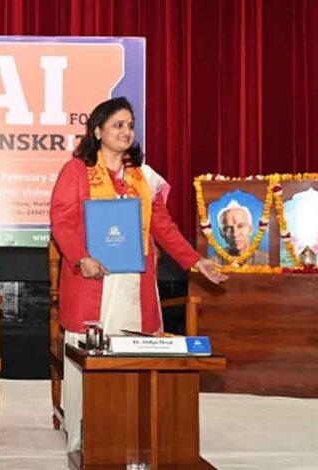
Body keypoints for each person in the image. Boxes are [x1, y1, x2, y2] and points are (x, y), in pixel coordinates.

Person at [49, 97, 227, 452]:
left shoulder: (143, 176)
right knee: (88, 355)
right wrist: (81, 257)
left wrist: (195, 261)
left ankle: (127, 427)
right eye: (118, 125)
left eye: (130, 125)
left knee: (132, 351)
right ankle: (84, 437)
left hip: (134, 282)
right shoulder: (76, 171)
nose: (126, 132)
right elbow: (62, 221)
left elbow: (162, 226)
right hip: (92, 279)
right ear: (97, 131)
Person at [214, 200, 269, 264]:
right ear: (222, 233)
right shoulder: (214, 263)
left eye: (240, 226)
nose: (235, 234)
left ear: (250, 229)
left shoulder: (267, 260)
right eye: (228, 228)